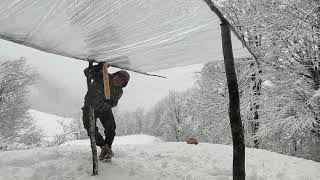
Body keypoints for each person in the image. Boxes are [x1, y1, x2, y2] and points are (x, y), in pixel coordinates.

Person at [82, 63, 130, 161]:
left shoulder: (119, 91)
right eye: (119, 76)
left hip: (104, 109)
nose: (119, 79)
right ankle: (104, 147)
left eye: (122, 80)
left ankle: (107, 148)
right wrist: (97, 68)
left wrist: (107, 104)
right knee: (91, 129)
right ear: (115, 74)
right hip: (89, 107)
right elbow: (87, 72)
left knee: (111, 128)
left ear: (123, 84)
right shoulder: (104, 75)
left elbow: (114, 103)